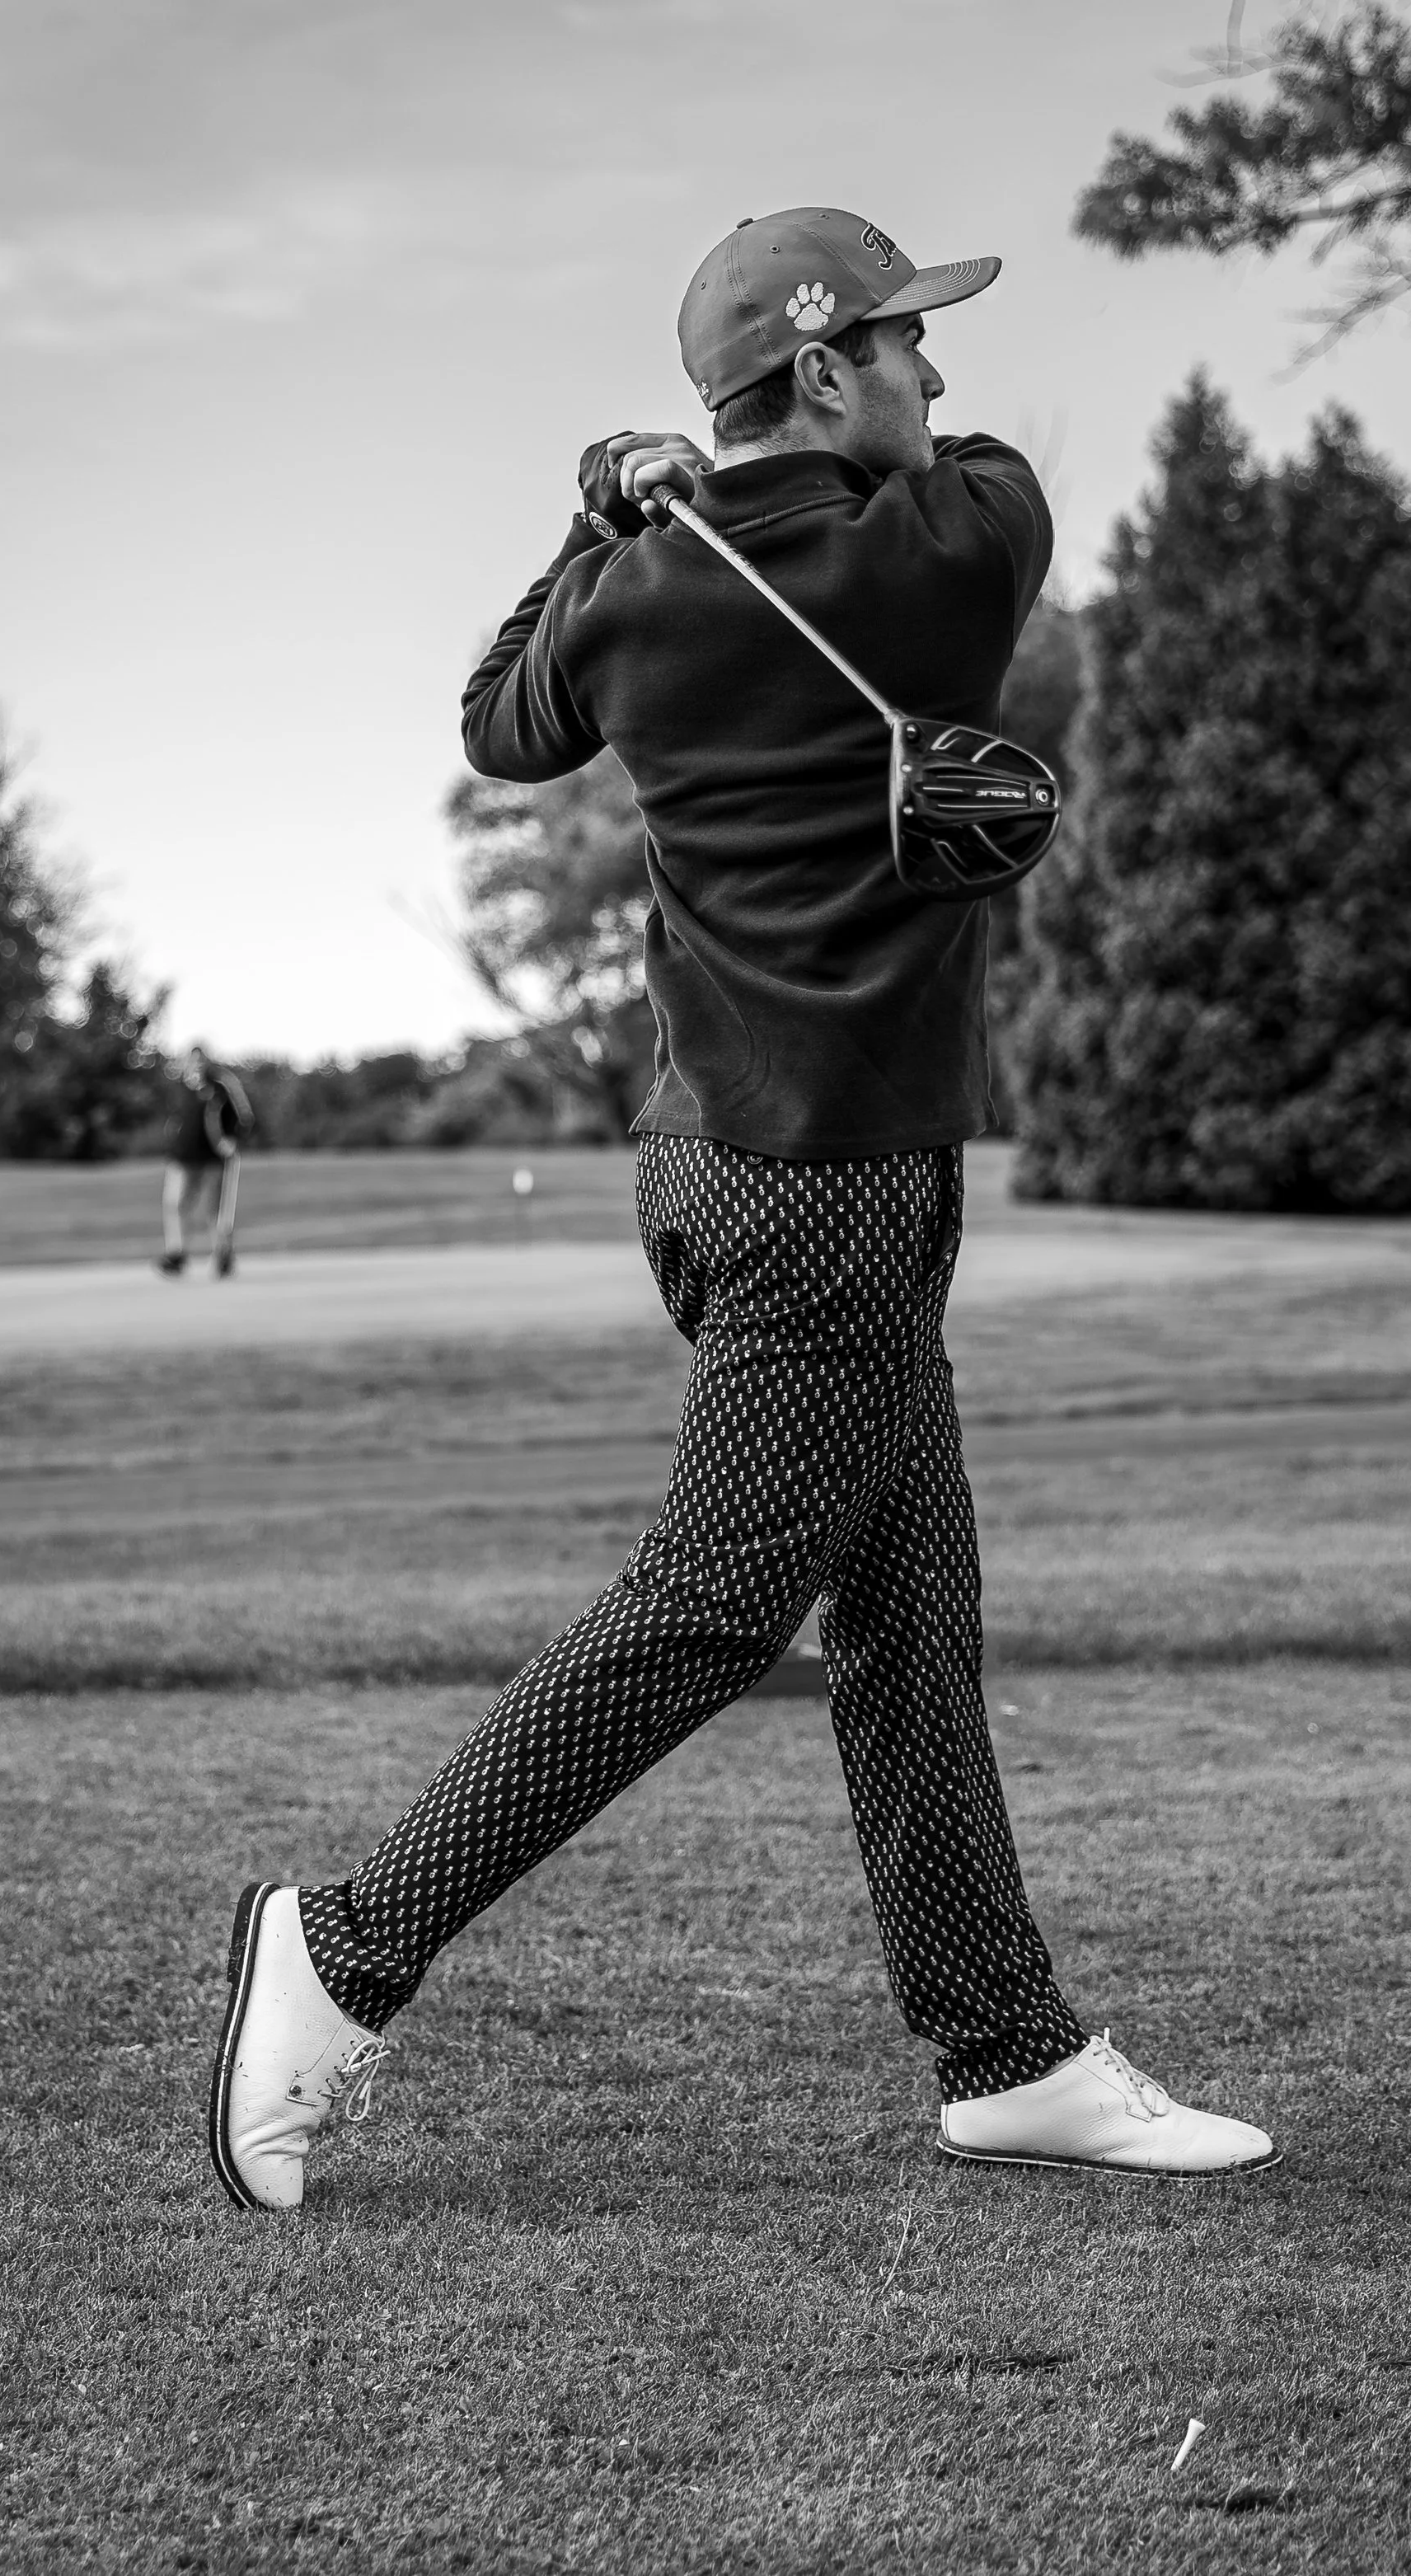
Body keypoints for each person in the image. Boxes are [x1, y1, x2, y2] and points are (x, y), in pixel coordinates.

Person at [208, 207, 1279, 2213]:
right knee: (707, 1611)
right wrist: (709, 478)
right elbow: (999, 487)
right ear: (819, 370)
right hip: (838, 1195)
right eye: (900, 344)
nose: (935, 379)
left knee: (912, 1604)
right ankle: (338, 1953)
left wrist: (603, 502)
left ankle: (1008, 2045)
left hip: (705, 1158)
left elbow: (497, 718)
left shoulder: (633, 601)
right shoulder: (940, 552)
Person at [157, 1049, 251, 1279]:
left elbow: (244, 1117)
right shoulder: (181, 1087)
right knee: (175, 1204)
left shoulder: (221, 1085)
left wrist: (233, 1139)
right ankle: (176, 1254)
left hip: (212, 1159)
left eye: (200, 1061)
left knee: (214, 1210)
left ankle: (223, 1255)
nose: (196, 1066)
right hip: (182, 1158)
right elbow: (175, 1119)